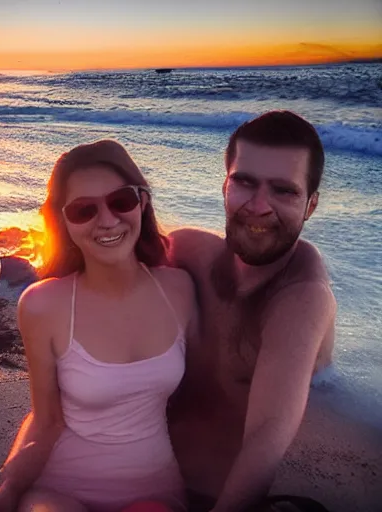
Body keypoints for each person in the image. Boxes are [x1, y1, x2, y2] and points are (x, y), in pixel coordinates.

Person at [0, 140, 197, 512]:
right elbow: (45, 419)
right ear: (63, 221)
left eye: (121, 201)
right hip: (60, 492)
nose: (107, 220)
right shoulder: (43, 305)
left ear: (143, 201)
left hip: (156, 492)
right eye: (83, 210)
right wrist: (8, 491)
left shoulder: (180, 290)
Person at [167, 110, 336, 512]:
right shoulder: (186, 251)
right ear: (225, 185)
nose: (258, 206)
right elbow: (106, 266)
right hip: (134, 476)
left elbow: (267, 435)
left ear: (311, 205)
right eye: (245, 182)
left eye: (284, 191)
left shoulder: (302, 297)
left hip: (215, 499)